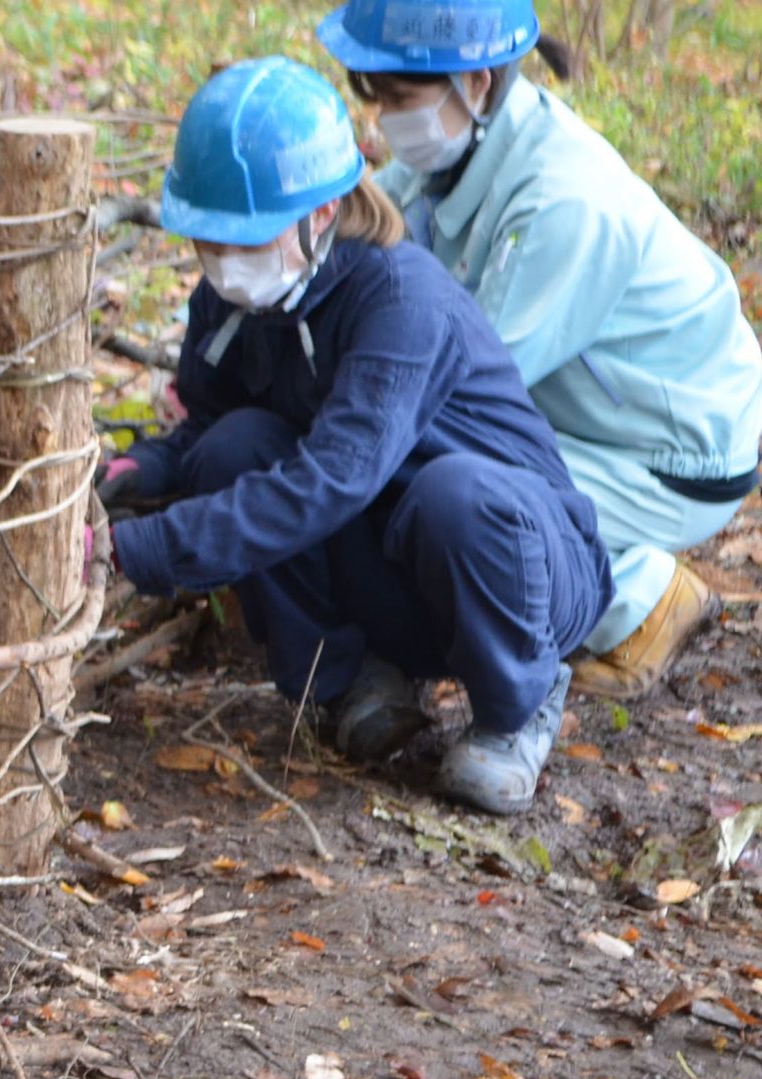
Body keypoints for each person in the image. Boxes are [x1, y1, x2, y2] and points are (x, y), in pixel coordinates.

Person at [97, 57, 609, 816]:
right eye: (212, 240)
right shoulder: (234, 301)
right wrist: (138, 470)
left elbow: (330, 479)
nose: (227, 262)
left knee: (451, 493)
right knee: (233, 450)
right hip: (392, 566)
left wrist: (135, 551)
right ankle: (350, 678)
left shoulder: (402, 301)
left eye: (252, 237)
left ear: (326, 212)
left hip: (519, 566)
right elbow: (211, 428)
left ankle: (519, 700)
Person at [316, 0, 762, 699]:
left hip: (670, 451)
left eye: (400, 99)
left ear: (479, 83)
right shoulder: (458, 155)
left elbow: (463, 391)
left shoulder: (563, 201)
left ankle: (641, 600)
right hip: (592, 413)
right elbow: (375, 234)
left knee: (444, 493)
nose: (383, 121)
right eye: (375, 99)